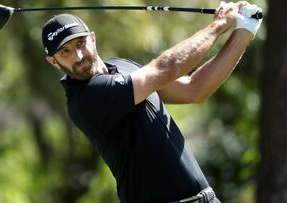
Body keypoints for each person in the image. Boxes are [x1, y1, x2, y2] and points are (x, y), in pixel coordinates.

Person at [41, 1, 262, 203]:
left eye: (80, 43)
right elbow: (167, 68)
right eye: (65, 52)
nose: (78, 56)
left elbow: (194, 89)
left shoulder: (122, 67)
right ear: (53, 61)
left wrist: (245, 29)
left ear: (92, 38)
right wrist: (220, 25)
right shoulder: (86, 99)